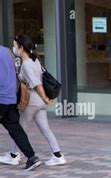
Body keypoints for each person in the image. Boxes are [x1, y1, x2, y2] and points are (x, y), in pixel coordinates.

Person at [0, 34, 66, 167]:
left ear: (21, 47)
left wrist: (45, 98)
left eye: (15, 46)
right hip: (39, 103)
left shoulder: (26, 65)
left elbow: (37, 84)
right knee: (45, 129)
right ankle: (58, 155)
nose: (13, 48)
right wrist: (45, 99)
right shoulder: (35, 60)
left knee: (19, 128)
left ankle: (13, 155)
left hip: (32, 101)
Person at [0, 44, 41, 171]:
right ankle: (31, 157)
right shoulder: (7, 52)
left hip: (1, 98)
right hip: (11, 97)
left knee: (15, 128)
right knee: (15, 129)